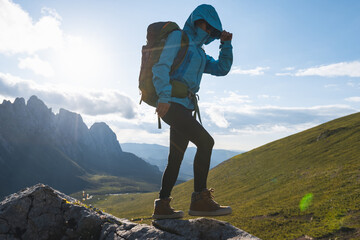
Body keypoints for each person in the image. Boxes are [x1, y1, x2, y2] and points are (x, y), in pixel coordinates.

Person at [151, 4, 233, 219]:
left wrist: (225, 45)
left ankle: (162, 206)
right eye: (210, 28)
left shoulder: (200, 52)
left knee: (176, 157)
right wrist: (164, 97)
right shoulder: (179, 37)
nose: (210, 34)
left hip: (185, 108)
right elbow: (161, 66)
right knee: (206, 142)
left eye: (214, 32)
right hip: (171, 104)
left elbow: (221, 69)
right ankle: (200, 200)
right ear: (198, 21)